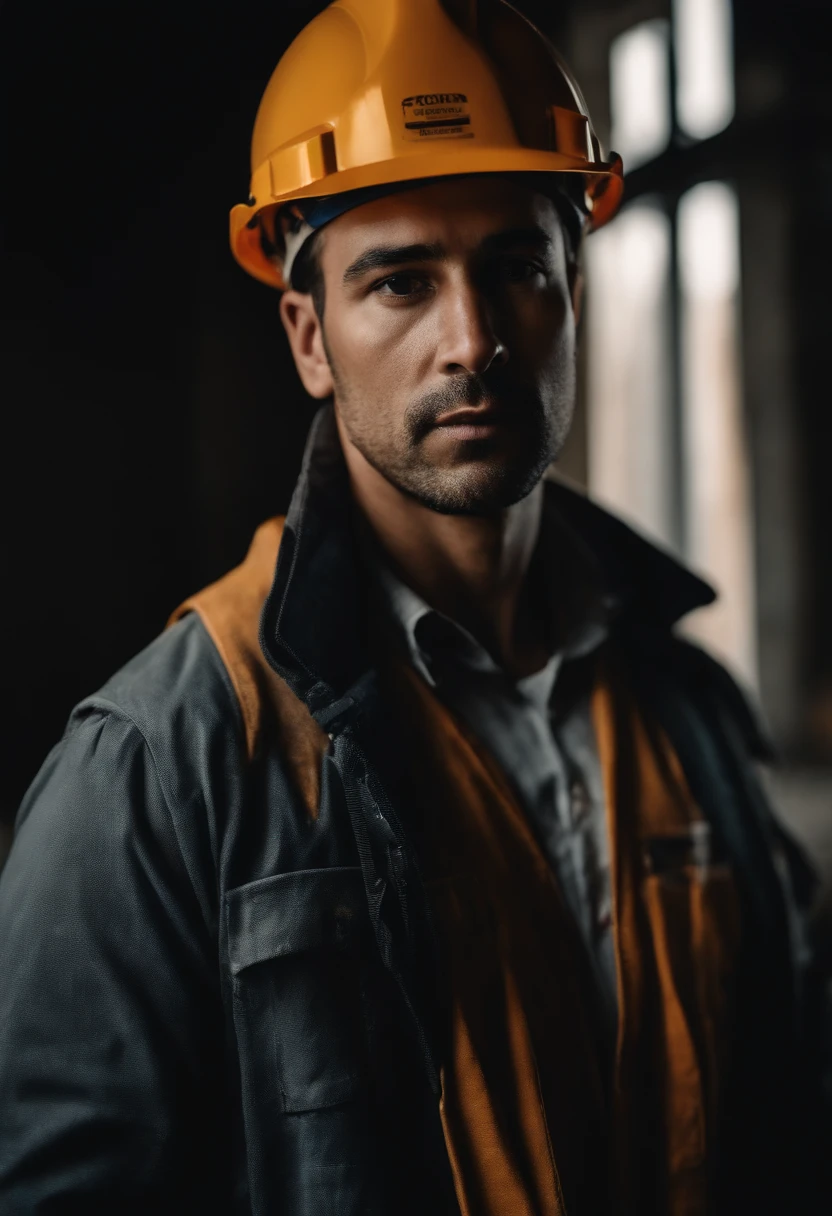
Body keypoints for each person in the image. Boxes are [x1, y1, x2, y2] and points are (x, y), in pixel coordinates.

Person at [0, 1, 827, 1213]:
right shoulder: (160, 771)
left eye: (513, 268)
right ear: (309, 338)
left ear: (572, 290)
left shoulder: (685, 705)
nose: (474, 339)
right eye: (399, 282)